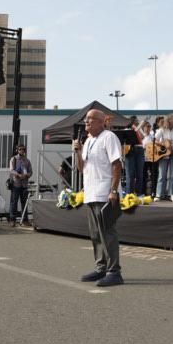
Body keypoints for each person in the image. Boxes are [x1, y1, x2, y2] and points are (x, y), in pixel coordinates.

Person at [73, 109, 124, 286]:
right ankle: (100, 268)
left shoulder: (108, 137)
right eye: (85, 119)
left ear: (101, 122)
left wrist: (114, 191)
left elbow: (117, 165)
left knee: (107, 233)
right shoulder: (88, 141)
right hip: (91, 193)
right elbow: (81, 168)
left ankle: (114, 271)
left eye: (90, 119)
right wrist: (78, 151)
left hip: (104, 192)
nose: (86, 122)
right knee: (95, 234)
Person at [8, 146, 33, 225]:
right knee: (14, 202)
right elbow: (11, 170)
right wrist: (18, 175)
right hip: (16, 184)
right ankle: (12, 220)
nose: (21, 150)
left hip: (24, 184)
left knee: (24, 202)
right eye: (20, 149)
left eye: (23, 149)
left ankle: (25, 220)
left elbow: (30, 172)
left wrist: (26, 175)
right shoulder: (13, 159)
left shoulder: (27, 161)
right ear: (17, 150)